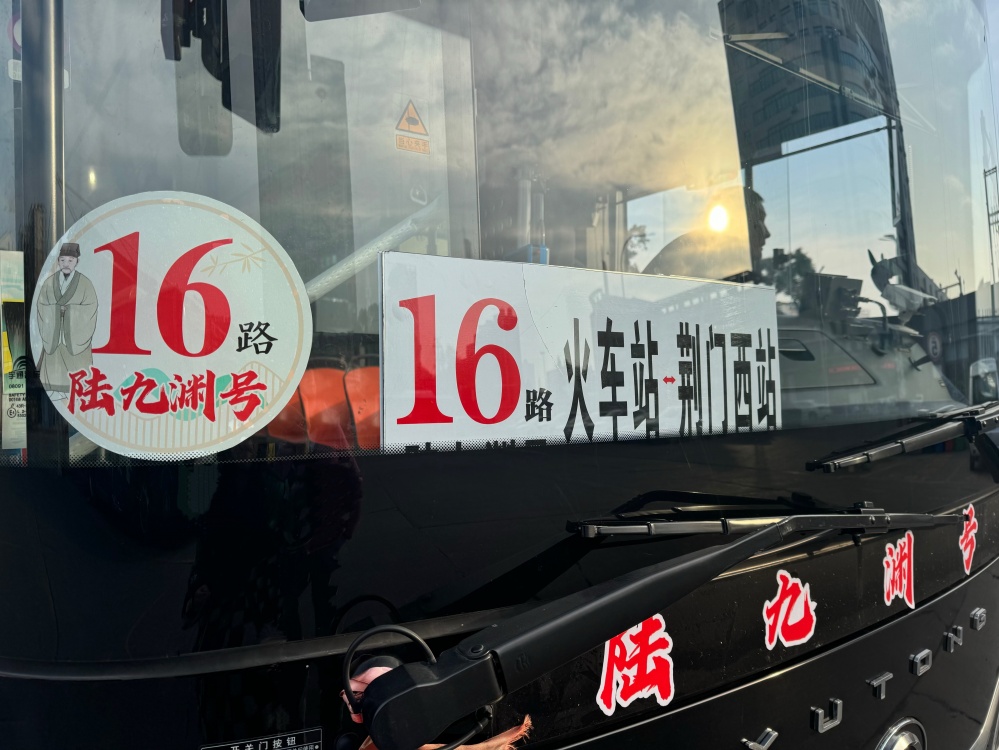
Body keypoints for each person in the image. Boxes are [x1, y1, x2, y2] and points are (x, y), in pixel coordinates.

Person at [36, 242, 99, 398]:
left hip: (75, 338)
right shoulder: (49, 282)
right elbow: (41, 305)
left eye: (70, 260)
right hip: (54, 337)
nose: (66, 264)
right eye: (63, 260)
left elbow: (91, 307)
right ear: (58, 261)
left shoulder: (85, 283)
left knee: (78, 383)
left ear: (77, 261)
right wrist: (56, 312)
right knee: (52, 377)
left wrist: (69, 311)